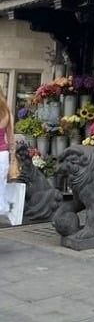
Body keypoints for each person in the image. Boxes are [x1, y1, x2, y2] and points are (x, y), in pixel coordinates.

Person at [0, 89, 24, 226]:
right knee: (1, 186)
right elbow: (11, 138)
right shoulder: (7, 113)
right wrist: (13, 157)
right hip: (2, 155)